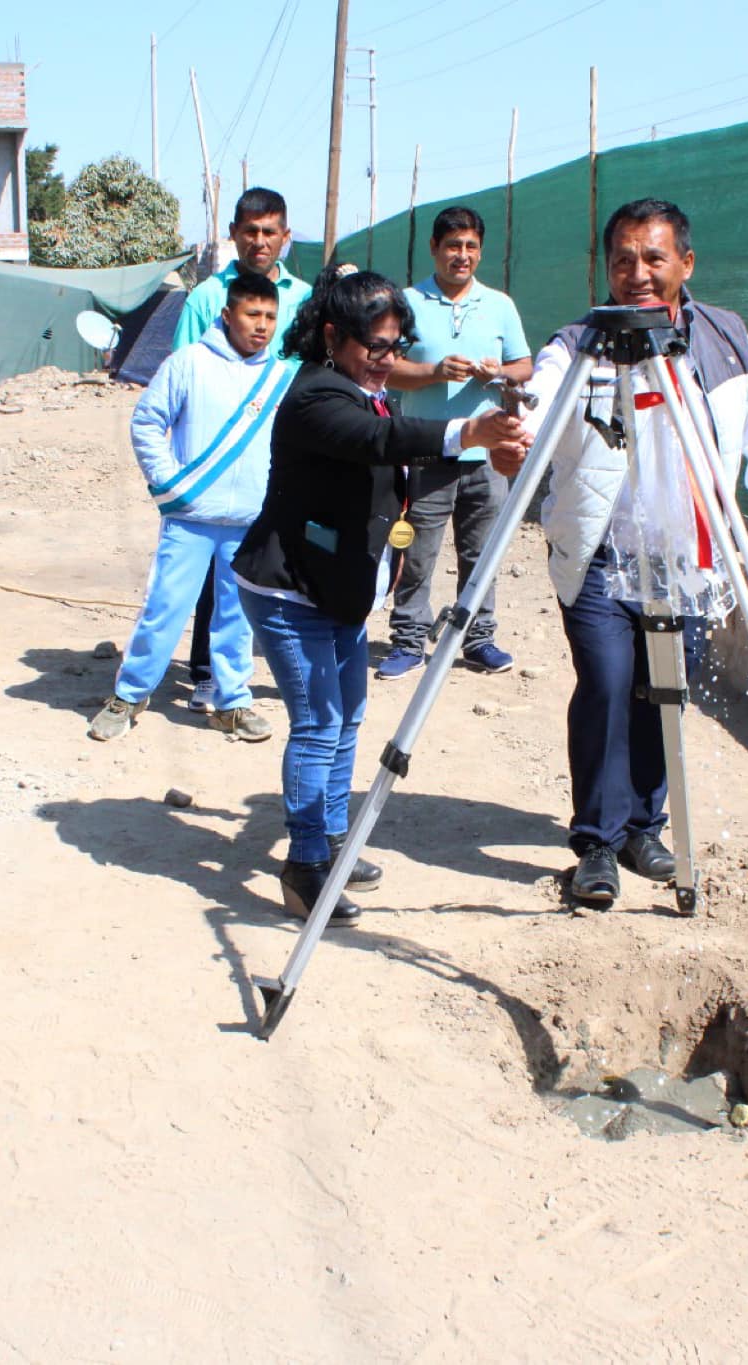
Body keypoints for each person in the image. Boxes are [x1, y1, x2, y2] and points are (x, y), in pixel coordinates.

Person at [517, 199, 748, 906]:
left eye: (653, 258)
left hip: (685, 556)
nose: (637, 274)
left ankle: (642, 826)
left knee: (664, 690)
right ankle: (595, 841)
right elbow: (537, 398)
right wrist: (516, 427)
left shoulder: (724, 338)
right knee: (605, 681)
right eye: (622, 259)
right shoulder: (581, 341)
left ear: (686, 263)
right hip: (600, 549)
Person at [232, 268, 528, 924]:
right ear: (334, 336)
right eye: (376, 347)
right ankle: (306, 865)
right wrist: (467, 434)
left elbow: (390, 457)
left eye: (396, 347)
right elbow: (381, 443)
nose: (387, 360)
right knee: (316, 725)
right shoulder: (317, 395)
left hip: (339, 586)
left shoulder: (368, 387)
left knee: (346, 720)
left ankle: (334, 842)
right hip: (289, 590)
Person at [89, 272, 287, 745]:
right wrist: (171, 485)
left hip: (249, 522)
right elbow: (148, 421)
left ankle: (232, 702)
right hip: (191, 517)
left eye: (270, 317)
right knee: (165, 608)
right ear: (227, 315)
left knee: (237, 618)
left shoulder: (280, 376)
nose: (261, 326)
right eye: (252, 314)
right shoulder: (188, 363)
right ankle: (130, 694)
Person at [378, 205, 534, 681]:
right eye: (452, 246)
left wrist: (499, 373)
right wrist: (433, 372)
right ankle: (408, 639)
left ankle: (479, 638)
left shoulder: (499, 305)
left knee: (482, 551)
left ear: (479, 252)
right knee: (417, 550)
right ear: (434, 249)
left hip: (487, 454)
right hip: (426, 449)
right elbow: (384, 367)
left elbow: (524, 366)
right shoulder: (405, 302)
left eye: (469, 247)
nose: (461, 256)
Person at [171, 188, 312, 715]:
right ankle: (206, 672)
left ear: (285, 237)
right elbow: (182, 377)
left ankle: (263, 666)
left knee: (276, 558)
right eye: (249, 231)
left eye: (269, 231)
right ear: (233, 234)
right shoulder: (207, 298)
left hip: (286, 451)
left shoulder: (303, 297)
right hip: (222, 456)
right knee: (220, 565)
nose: (259, 241)